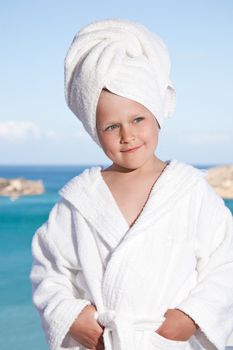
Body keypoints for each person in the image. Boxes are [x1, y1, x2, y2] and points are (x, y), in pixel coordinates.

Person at [29, 18, 233, 350]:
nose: (128, 136)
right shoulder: (79, 200)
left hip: (168, 341)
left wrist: (193, 316)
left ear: (157, 114)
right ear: (96, 133)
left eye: (138, 119)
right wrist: (71, 316)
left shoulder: (190, 191)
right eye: (112, 127)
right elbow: (49, 269)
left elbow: (226, 263)